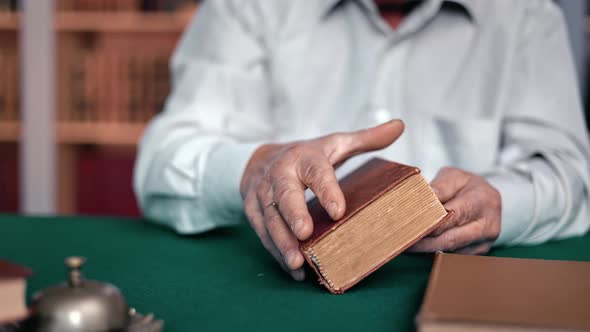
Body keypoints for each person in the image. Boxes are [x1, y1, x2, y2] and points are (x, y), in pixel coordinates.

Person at [134, 0, 590, 281]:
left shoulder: (527, 16)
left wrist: (499, 204)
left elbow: (570, 175)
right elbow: (163, 158)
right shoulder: (248, 6)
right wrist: (256, 168)